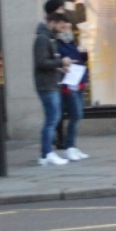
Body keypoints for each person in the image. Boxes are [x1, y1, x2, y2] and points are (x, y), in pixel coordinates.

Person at [35, 11, 73, 165]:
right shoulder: (42, 39)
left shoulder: (49, 38)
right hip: (47, 85)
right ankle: (46, 153)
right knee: (52, 119)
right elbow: (41, 62)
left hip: (51, 82)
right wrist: (61, 63)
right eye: (58, 24)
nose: (60, 27)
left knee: (53, 118)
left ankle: (47, 152)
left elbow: (47, 63)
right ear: (51, 23)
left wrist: (60, 68)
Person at [54, 15, 89, 160]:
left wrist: (83, 53)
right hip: (68, 82)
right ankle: (69, 147)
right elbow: (59, 60)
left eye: (68, 27)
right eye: (62, 27)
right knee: (76, 114)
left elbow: (80, 59)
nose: (66, 30)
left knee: (77, 115)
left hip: (78, 80)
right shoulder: (57, 43)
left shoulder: (72, 41)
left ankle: (72, 146)